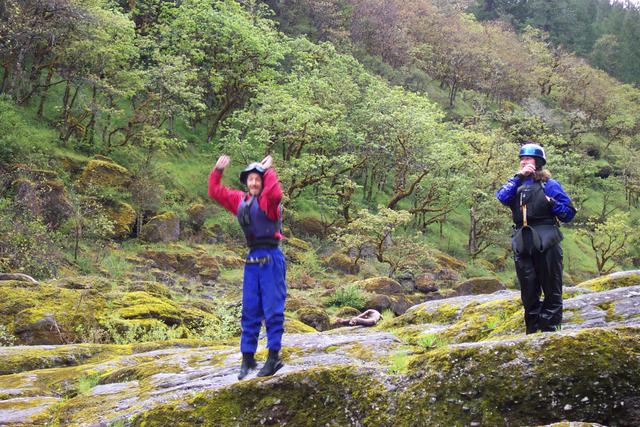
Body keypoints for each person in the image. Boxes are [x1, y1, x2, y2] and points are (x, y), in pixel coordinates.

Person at [208, 154, 286, 379]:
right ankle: (248, 359)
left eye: (257, 179)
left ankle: (273, 357)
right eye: (250, 179)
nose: (253, 183)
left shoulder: (268, 202)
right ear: (246, 182)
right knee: (249, 311)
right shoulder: (240, 201)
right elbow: (215, 192)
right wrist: (218, 171)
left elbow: (276, 193)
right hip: (252, 260)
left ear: (262, 182)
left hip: (271, 258)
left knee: (273, 310)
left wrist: (268, 170)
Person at [496, 143, 576, 334]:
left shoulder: (550, 185)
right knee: (528, 290)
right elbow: (502, 197)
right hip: (523, 242)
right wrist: (518, 177)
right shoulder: (515, 184)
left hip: (547, 239)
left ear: (538, 162)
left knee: (551, 286)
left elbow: (569, 213)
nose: (524, 162)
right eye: (522, 159)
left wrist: (553, 203)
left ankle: (549, 330)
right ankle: (532, 331)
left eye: (528, 159)